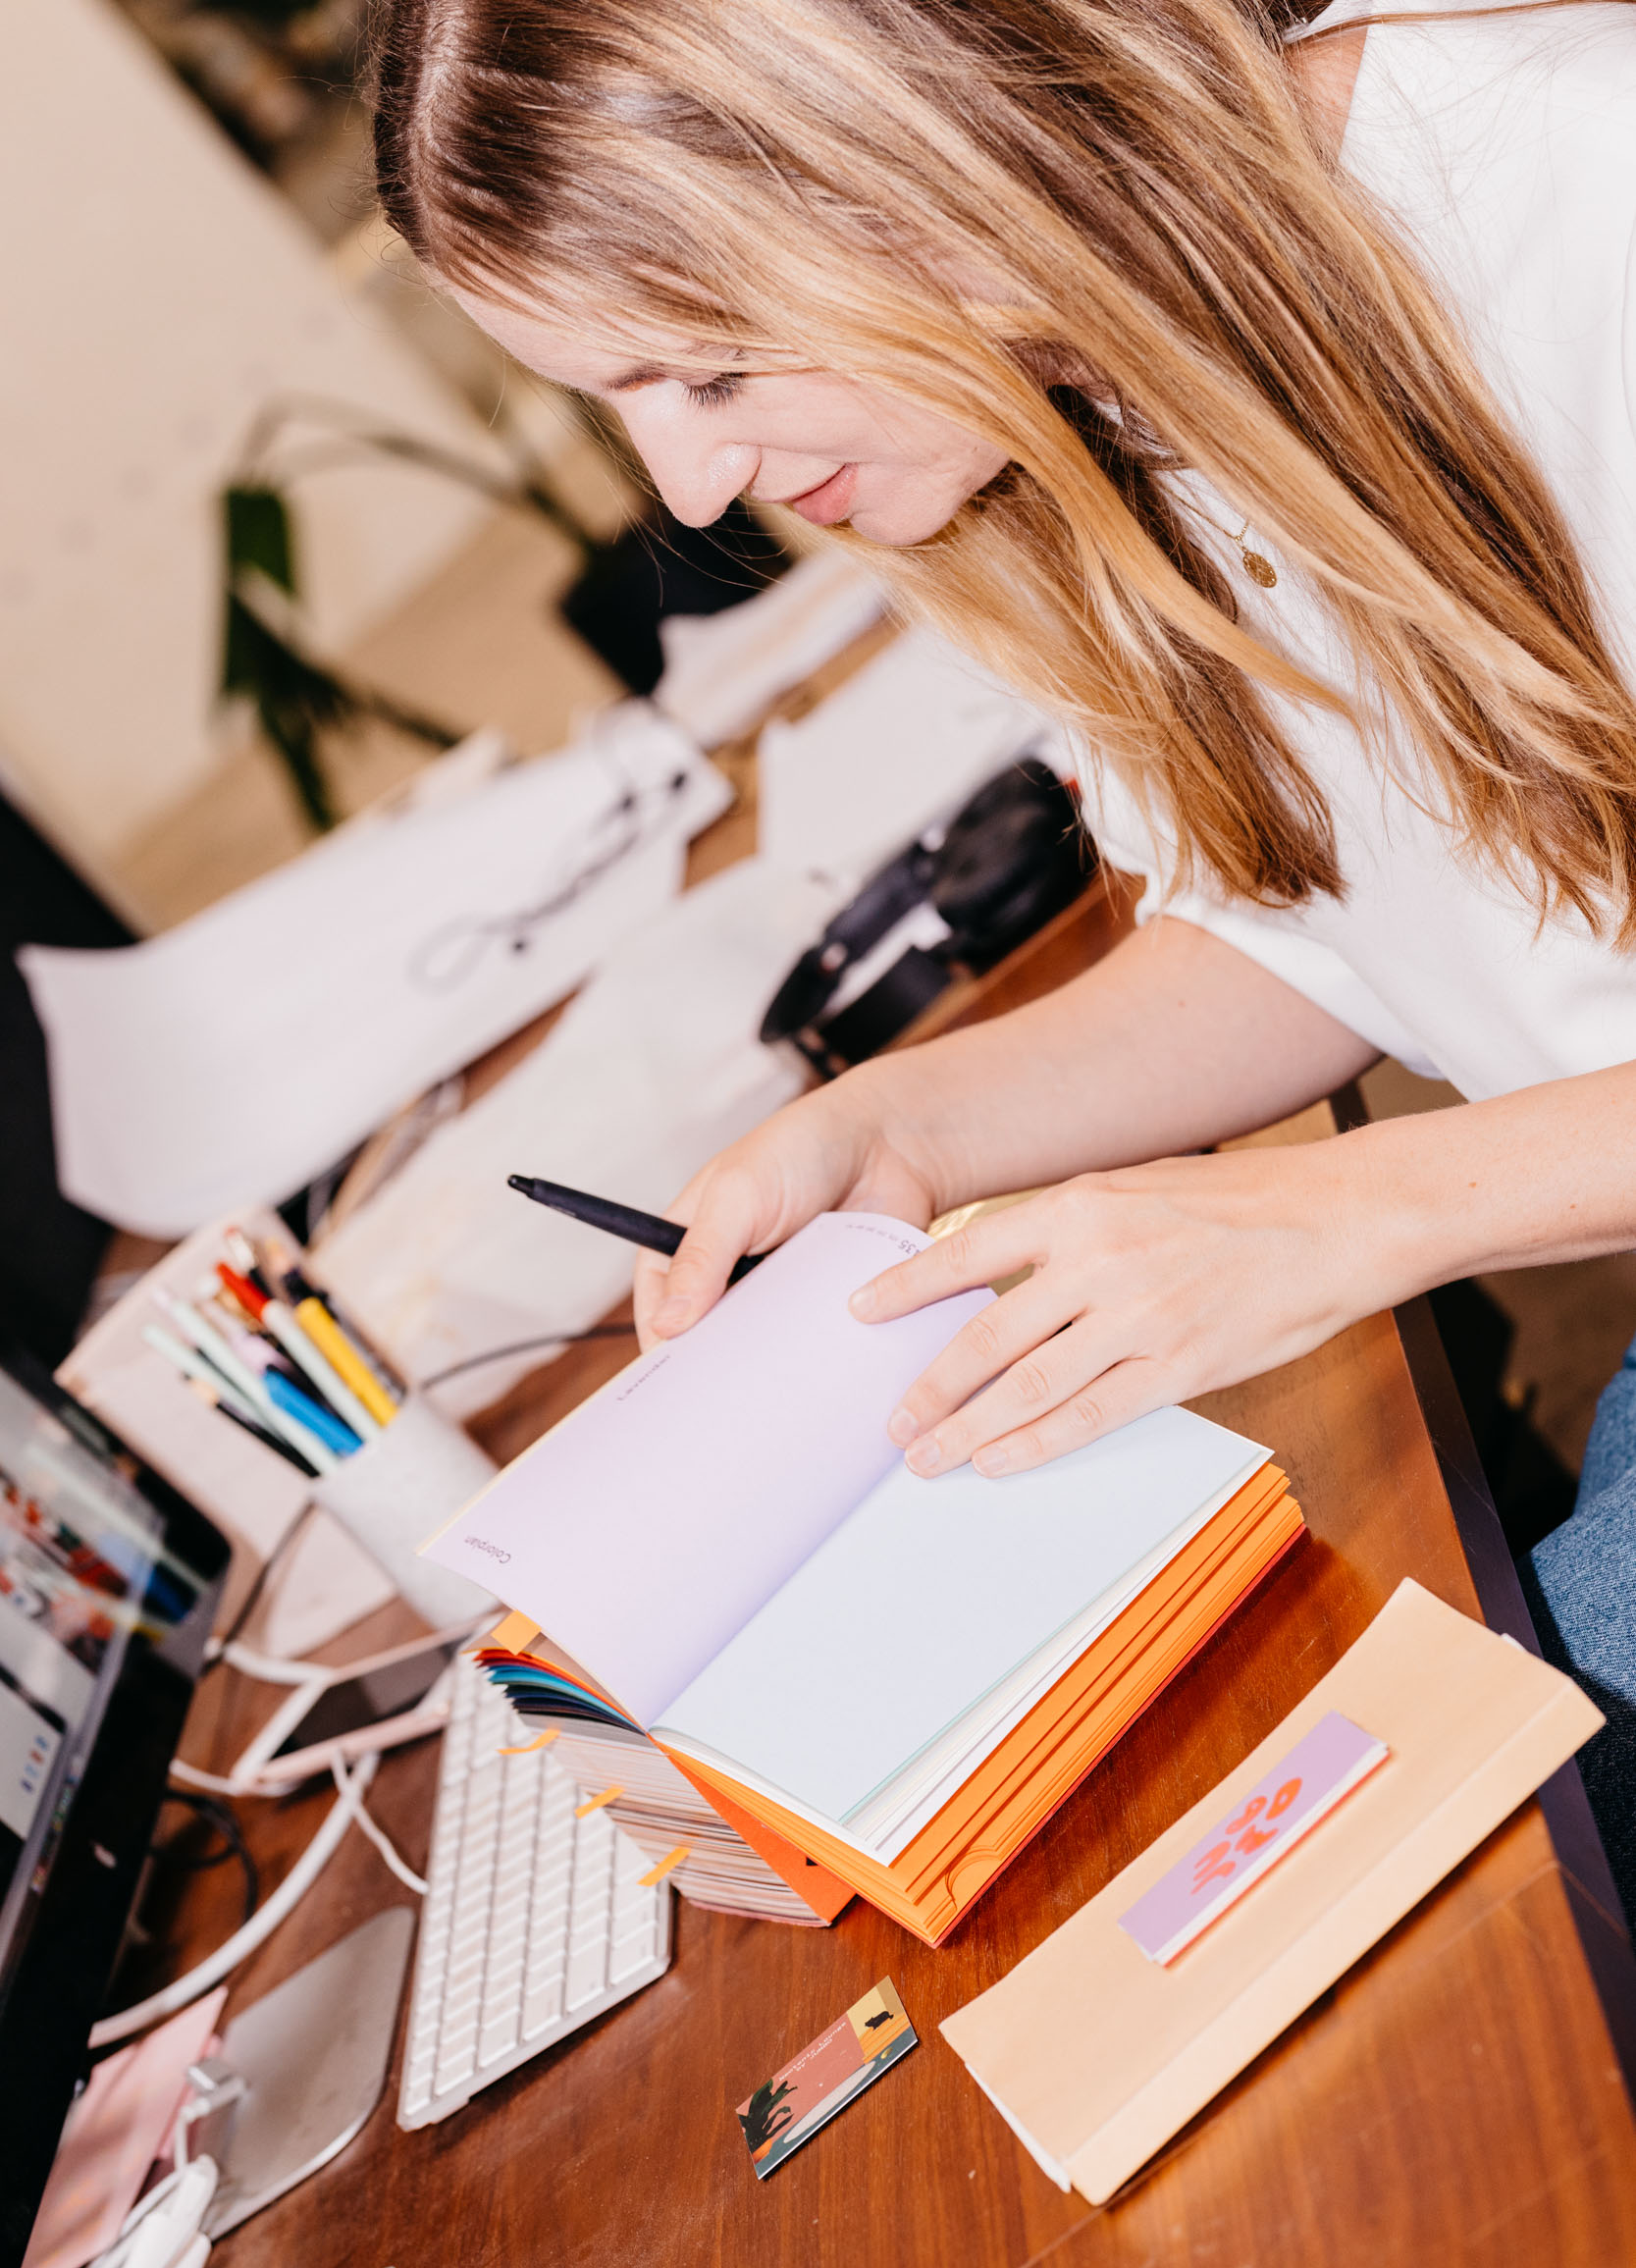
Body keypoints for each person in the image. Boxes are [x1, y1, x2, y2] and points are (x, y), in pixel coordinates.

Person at [373, 0, 1636, 1886]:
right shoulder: (1065, 432)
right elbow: (1332, 928)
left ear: (910, 160)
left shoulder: (1571, 194)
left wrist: (1357, 1216)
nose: (689, 492)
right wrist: (911, 1129)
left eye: (709, 368)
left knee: (1499, 1887)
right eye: (614, 404)